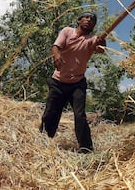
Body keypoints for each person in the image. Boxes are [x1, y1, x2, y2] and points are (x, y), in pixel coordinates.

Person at [39, 12, 106, 153]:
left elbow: (100, 49)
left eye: (93, 19)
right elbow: (56, 46)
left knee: (80, 116)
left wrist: (102, 43)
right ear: (78, 20)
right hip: (58, 82)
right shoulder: (67, 31)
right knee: (50, 113)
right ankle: (43, 141)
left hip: (77, 83)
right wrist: (56, 56)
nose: (89, 20)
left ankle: (86, 149)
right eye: (86, 17)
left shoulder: (92, 39)